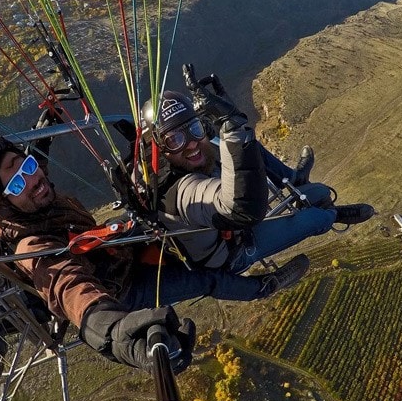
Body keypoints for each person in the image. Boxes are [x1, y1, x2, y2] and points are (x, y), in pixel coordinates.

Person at [0, 130, 311, 374]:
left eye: (29, 166)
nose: (33, 179)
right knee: (206, 278)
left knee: (169, 223)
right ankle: (264, 288)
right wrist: (112, 330)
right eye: (17, 181)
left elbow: (40, 165)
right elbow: (68, 285)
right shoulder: (32, 246)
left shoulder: (40, 201)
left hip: (116, 252)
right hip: (121, 291)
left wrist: (48, 119)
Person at [136, 64, 374, 274]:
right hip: (231, 251)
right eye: (174, 140)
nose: (190, 144)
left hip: (230, 224)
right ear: (157, 148)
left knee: (244, 144)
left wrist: (226, 116)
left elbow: (227, 140)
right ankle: (333, 216)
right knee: (317, 215)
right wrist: (230, 124)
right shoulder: (184, 193)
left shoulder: (176, 154)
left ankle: (293, 178)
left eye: (194, 129)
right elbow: (239, 209)